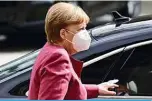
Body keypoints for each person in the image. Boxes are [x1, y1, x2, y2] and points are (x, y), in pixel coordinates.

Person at [28, 2, 118, 100]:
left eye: (85, 28)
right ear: (63, 33)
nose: (85, 33)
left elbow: (69, 88)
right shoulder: (57, 57)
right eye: (80, 29)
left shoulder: (50, 48)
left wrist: (97, 89)